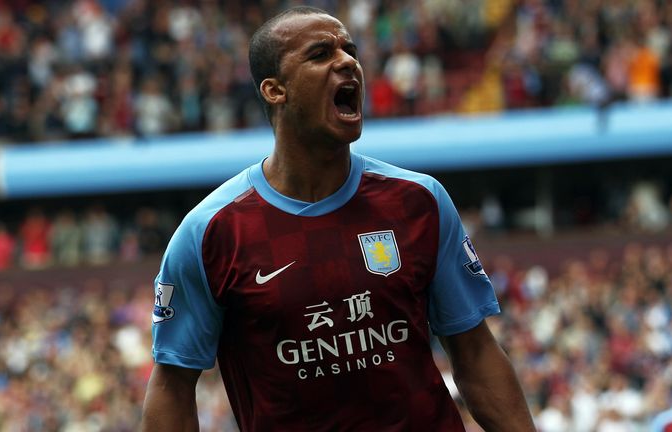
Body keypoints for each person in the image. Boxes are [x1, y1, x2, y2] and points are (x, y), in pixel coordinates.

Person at [140, 6, 534, 431]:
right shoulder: (211, 233)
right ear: (275, 90)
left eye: (350, 50)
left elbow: (475, 353)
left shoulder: (418, 201)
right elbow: (173, 387)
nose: (347, 62)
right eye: (320, 54)